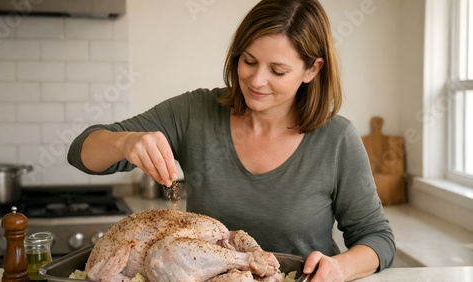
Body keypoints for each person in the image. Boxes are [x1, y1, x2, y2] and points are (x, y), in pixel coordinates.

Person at [68, 0, 395, 281]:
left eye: (277, 71)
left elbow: (377, 238)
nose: (257, 80)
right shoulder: (195, 112)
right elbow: (81, 152)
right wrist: (123, 142)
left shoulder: (337, 139)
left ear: (312, 70)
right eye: (249, 61)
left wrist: (339, 268)